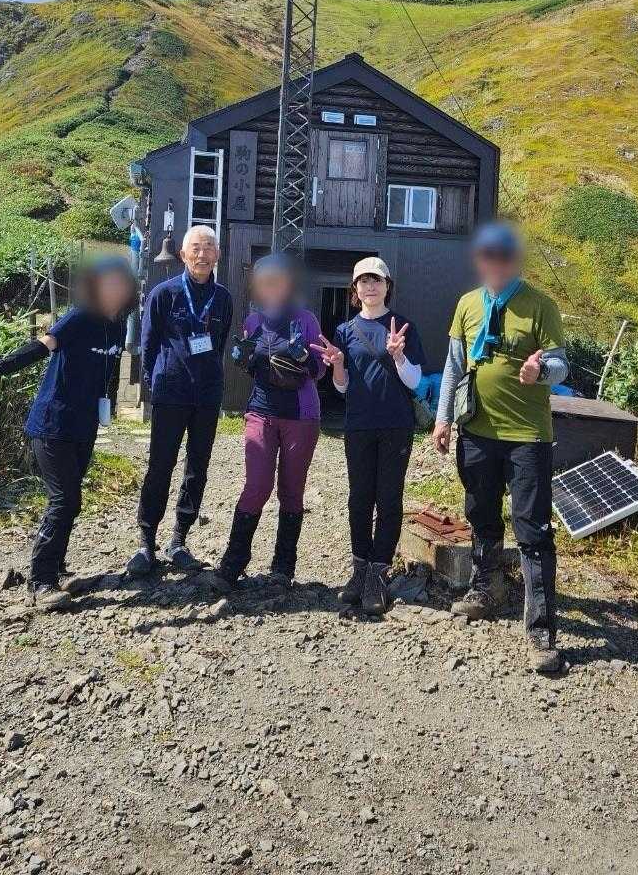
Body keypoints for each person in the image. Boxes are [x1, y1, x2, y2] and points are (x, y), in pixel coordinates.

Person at [0, 257, 137, 611]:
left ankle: (58, 570)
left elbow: (107, 375)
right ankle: (40, 582)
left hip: (84, 425)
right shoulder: (81, 316)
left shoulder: (117, 326)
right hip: (53, 424)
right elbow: (43, 345)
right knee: (64, 500)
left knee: (72, 500)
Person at [432, 220, 568, 675]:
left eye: (504, 256)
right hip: (476, 430)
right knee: (481, 512)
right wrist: (443, 418)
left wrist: (540, 372)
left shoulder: (540, 305)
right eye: (488, 256)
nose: (496, 263)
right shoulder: (467, 304)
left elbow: (561, 365)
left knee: (533, 529)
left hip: (527, 435)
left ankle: (541, 630)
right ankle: (486, 589)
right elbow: (453, 367)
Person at [313, 257, 425, 616]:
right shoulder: (345, 331)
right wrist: (338, 365)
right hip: (359, 424)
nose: (370, 287)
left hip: (396, 424)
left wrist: (399, 356)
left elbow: (415, 382)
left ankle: (378, 573)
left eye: (376, 280)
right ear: (355, 289)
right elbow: (343, 388)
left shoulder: (404, 327)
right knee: (359, 499)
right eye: (363, 281)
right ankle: (360, 568)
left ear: (388, 286)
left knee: (389, 499)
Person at [206, 253, 325, 592]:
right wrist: (243, 360)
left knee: (292, 490)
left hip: (301, 414)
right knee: (257, 485)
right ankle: (234, 561)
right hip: (261, 410)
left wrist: (305, 357)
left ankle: (283, 567)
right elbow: (253, 368)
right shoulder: (253, 321)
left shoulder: (306, 320)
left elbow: (319, 370)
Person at [128, 226, 233, 576]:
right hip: (170, 393)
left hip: (207, 395)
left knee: (198, 466)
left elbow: (219, 343)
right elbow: (148, 344)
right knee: (160, 465)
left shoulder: (223, 298)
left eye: (209, 248)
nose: (202, 254)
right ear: (184, 255)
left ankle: (179, 539)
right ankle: (146, 541)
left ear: (217, 255)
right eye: (196, 248)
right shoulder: (164, 294)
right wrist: (155, 383)